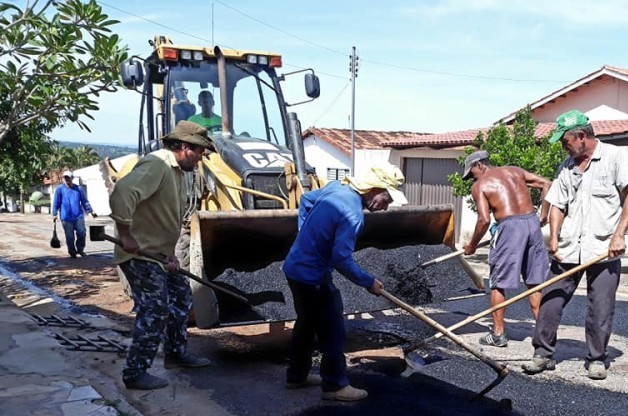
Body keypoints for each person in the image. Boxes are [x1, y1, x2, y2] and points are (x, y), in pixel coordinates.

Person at [282, 163, 408, 402]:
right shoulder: (353, 214)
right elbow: (341, 258)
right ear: (373, 189)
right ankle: (334, 386)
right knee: (332, 330)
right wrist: (368, 281)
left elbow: (307, 199)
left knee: (306, 325)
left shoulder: (336, 189)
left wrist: (306, 235)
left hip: (294, 268)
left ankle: (296, 376)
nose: (385, 207)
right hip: (312, 276)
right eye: (387, 199)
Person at [522, 110, 628, 380]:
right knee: (551, 299)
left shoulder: (616, 158)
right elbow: (557, 203)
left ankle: (596, 359)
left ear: (581, 136)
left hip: (603, 249)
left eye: (565, 140)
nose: (563, 145)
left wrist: (619, 236)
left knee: (600, 306)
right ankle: (543, 355)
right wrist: (554, 238)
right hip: (569, 247)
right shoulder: (567, 166)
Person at [109, 121, 213, 390]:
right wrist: (126, 235)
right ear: (186, 147)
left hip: (158, 254)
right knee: (155, 309)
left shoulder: (178, 171)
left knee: (181, 296)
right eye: (200, 151)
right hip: (138, 254)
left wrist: (170, 255)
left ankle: (176, 354)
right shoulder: (158, 164)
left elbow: (162, 215)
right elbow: (123, 191)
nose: (202, 158)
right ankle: (135, 372)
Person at [462, 150, 551, 347]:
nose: (471, 179)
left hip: (509, 227)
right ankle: (545, 336)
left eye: (471, 174)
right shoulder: (514, 170)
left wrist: (472, 245)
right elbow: (547, 183)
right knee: (534, 281)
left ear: (479, 165)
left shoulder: (480, 185)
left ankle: (498, 334)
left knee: (498, 282)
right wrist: (543, 215)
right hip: (531, 223)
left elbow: (484, 220)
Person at [52, 171, 97, 258]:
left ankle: (80, 249)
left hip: (78, 216)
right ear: (63, 179)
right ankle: (72, 251)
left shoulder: (78, 189)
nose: (67, 179)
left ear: (72, 178)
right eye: (65, 178)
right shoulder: (60, 189)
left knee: (82, 232)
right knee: (70, 236)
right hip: (66, 217)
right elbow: (56, 203)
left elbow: (84, 201)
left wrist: (90, 211)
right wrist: (54, 214)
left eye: (68, 178)